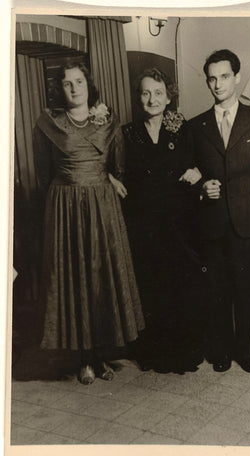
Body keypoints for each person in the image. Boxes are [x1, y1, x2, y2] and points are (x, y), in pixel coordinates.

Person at [33, 61, 144, 385]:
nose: (74, 88)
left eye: (79, 81)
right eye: (67, 83)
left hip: (102, 207)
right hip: (65, 207)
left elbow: (117, 165)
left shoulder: (108, 121)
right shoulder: (48, 123)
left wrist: (104, 176)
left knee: (100, 279)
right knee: (74, 279)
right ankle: (81, 360)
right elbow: (43, 173)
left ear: (88, 84)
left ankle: (99, 355)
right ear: (60, 89)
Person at [189, 50, 250, 373]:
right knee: (218, 290)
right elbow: (189, 170)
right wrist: (202, 188)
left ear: (237, 77)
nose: (218, 84)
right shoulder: (196, 125)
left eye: (224, 76)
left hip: (248, 218)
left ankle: (246, 351)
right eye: (212, 78)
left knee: (244, 288)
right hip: (212, 221)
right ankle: (221, 350)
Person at [120, 67, 204, 373]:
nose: (151, 99)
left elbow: (198, 165)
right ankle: (155, 354)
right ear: (138, 97)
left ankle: (182, 353)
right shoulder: (127, 133)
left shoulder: (182, 130)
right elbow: (116, 171)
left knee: (179, 286)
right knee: (151, 288)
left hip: (178, 224)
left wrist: (198, 173)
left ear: (169, 97)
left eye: (158, 92)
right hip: (144, 225)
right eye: (145, 92)